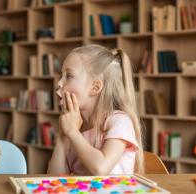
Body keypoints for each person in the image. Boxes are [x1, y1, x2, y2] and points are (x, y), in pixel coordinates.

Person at [48, 44, 144, 175]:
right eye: (61, 76)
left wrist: (71, 132)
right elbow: (54, 179)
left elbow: (101, 169)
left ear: (95, 87)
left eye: (68, 76)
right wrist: (62, 136)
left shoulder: (119, 122)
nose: (59, 83)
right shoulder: (74, 128)